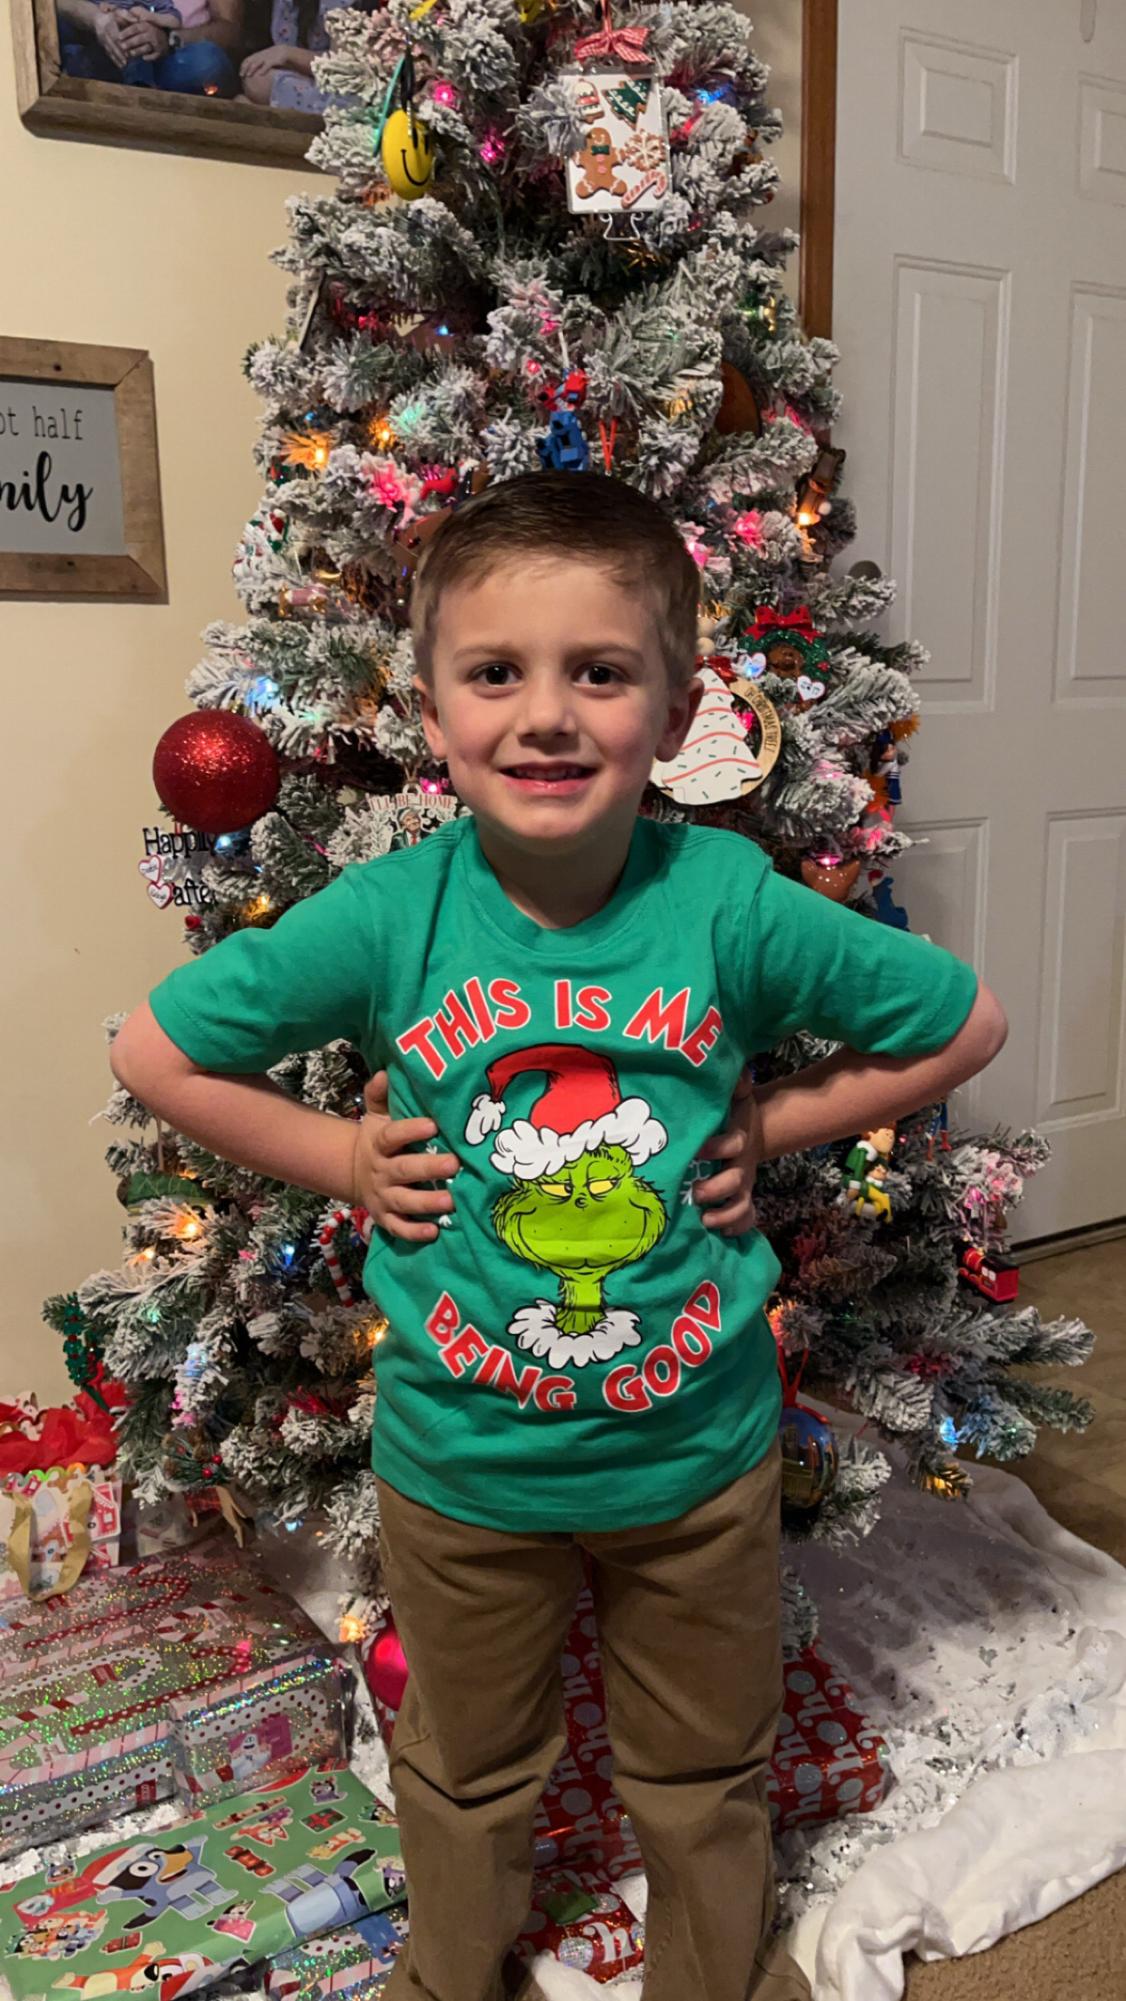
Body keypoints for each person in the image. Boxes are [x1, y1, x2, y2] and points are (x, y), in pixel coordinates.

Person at [110, 472, 1008, 2001]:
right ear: (432, 708)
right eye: (496, 673)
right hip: (463, 1468)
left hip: (696, 1463)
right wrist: (336, 1150)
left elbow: (962, 1020)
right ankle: (448, 1974)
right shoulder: (390, 913)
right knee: (464, 1769)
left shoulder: (725, 896)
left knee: (705, 1771)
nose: (546, 715)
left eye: (598, 671)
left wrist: (770, 1126)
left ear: (672, 709)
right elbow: (156, 1049)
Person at [56, 0, 241, 92]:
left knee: (209, 62)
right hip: (94, 42)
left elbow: (229, 28)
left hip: (174, 57)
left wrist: (166, 38)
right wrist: (96, 18)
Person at [238, 0, 334, 112]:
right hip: (302, 77)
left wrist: (288, 54)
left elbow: (346, 64)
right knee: (256, 77)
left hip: (343, 89)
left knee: (255, 89)